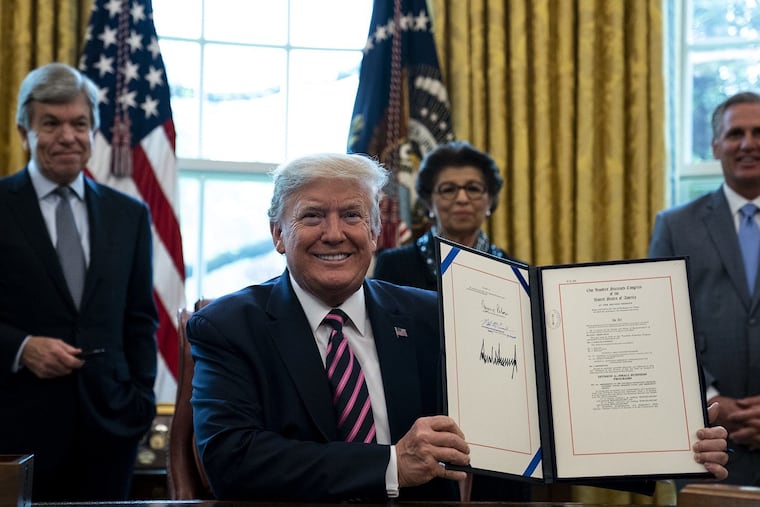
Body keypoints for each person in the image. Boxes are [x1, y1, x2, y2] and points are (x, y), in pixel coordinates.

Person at [187, 152, 729, 502]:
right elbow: (234, 459)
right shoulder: (230, 326)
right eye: (311, 217)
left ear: (376, 230)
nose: (335, 234)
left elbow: (530, 429)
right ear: (278, 234)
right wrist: (391, 465)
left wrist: (674, 448)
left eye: (353, 216)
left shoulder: (430, 315)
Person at [0, 62, 158, 500]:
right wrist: (20, 347)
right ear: (23, 131)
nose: (68, 136)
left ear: (93, 132)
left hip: (111, 430)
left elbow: (140, 320)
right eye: (51, 123)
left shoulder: (130, 216)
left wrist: (140, 404)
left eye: (80, 123)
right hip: (13, 435)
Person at [649, 91, 760, 486]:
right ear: (716, 146)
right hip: (708, 444)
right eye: (735, 134)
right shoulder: (675, 226)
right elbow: (658, 326)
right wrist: (707, 397)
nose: (748, 143)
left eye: (758, 132)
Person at [373, 141, 508, 290]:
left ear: (490, 201)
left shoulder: (514, 273)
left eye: (474, 189)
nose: (462, 199)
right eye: (448, 190)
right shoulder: (394, 265)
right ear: (429, 202)